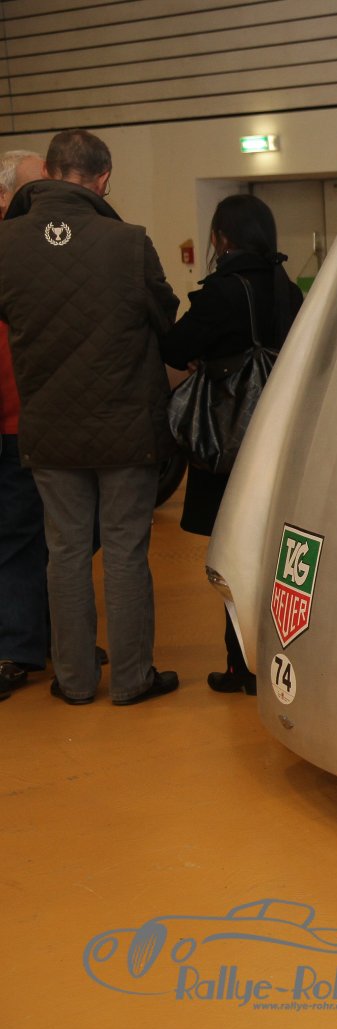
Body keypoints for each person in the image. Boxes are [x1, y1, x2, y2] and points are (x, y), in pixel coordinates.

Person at [0, 129, 180, 706]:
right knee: (125, 551)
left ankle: (74, 681)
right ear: (104, 179)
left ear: (50, 171)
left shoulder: (6, 244)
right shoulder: (128, 242)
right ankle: (131, 679)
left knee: (64, 552)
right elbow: (165, 317)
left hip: (48, 426)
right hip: (125, 425)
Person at [161, 194, 303, 695]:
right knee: (272, 552)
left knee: (232, 551)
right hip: (281, 438)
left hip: (228, 443)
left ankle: (241, 664)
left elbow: (175, 347)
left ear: (221, 238)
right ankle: (276, 656)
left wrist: (207, 359)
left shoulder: (221, 292)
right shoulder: (289, 290)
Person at [0, 149, 48, 702]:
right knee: (17, 538)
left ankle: (39, 637)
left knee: (43, 538)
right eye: (33, 187)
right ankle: (16, 647)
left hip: (37, 417)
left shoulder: (35, 244)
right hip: (13, 419)